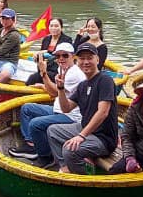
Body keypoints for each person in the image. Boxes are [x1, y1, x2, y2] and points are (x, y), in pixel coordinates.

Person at [9, 42, 84, 166]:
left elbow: (54, 92)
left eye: (65, 55)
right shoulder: (62, 69)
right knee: (27, 108)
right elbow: (53, 92)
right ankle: (32, 145)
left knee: (35, 124)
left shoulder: (74, 74)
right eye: (58, 56)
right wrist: (44, 83)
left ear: (73, 57)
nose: (61, 59)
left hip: (71, 116)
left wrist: (43, 73)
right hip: (58, 109)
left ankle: (45, 157)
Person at [47, 43, 118, 174]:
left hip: (103, 138)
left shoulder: (105, 80)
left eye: (89, 58)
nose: (85, 62)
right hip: (85, 129)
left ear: (97, 59)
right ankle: (66, 168)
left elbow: (103, 112)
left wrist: (81, 136)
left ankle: (86, 178)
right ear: (77, 61)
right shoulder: (83, 85)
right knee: (53, 131)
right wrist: (61, 88)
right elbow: (66, 108)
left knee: (69, 150)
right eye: (82, 58)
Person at [26, 17, 66, 87]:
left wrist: (47, 51)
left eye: (56, 26)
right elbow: (41, 54)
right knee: (31, 79)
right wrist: (37, 56)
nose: (53, 28)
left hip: (57, 71)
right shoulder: (46, 39)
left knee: (35, 77)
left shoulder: (66, 40)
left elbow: (62, 55)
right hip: (44, 68)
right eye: (51, 26)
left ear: (61, 27)